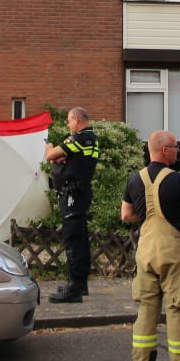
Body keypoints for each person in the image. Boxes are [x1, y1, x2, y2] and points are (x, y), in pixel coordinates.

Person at [122, 130, 180, 361]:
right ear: (165, 150)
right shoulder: (179, 181)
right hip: (173, 252)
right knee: (178, 309)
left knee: (146, 309)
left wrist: (146, 217)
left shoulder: (135, 180)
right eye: (176, 146)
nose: (178, 150)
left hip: (145, 251)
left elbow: (126, 215)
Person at [44, 107, 99, 303]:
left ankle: (74, 289)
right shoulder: (91, 139)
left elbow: (51, 155)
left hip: (72, 195)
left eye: (69, 120)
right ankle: (80, 283)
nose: (68, 124)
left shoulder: (79, 138)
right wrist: (63, 158)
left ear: (76, 119)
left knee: (73, 239)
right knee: (81, 238)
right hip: (80, 192)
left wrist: (49, 148)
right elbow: (72, 159)